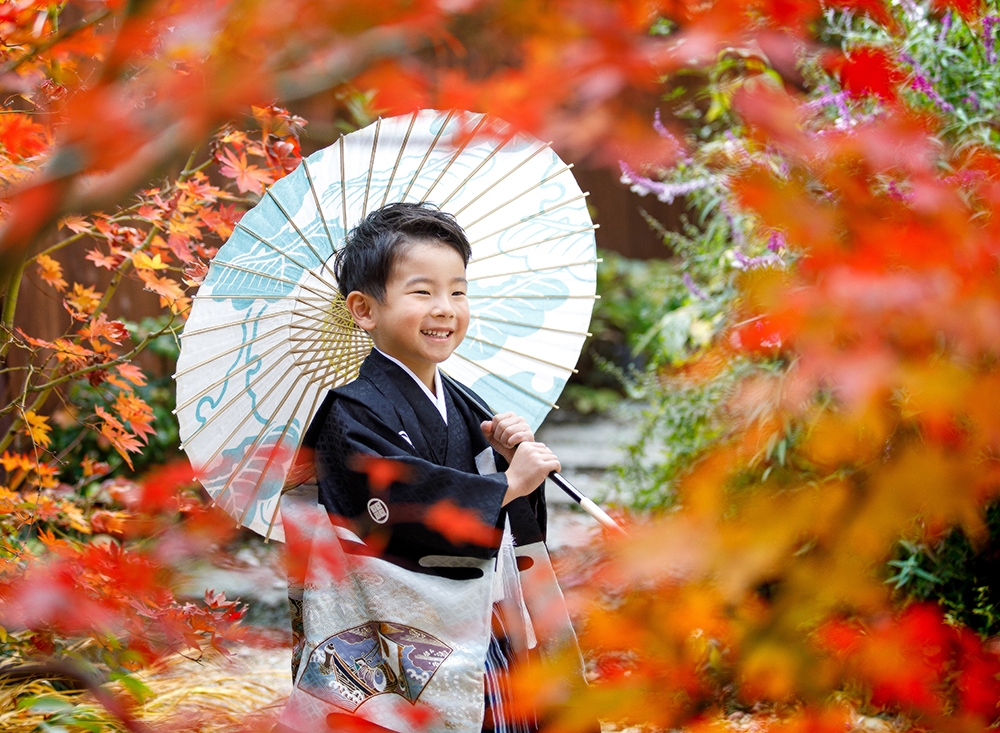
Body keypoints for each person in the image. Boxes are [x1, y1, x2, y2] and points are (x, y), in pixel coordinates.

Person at [279, 203, 595, 733]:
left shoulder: (467, 406)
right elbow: (391, 509)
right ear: (363, 309)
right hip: (398, 646)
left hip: (483, 625)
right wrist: (501, 487)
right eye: (423, 292)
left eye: (458, 290)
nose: (445, 308)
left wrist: (508, 456)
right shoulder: (348, 411)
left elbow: (504, 502)